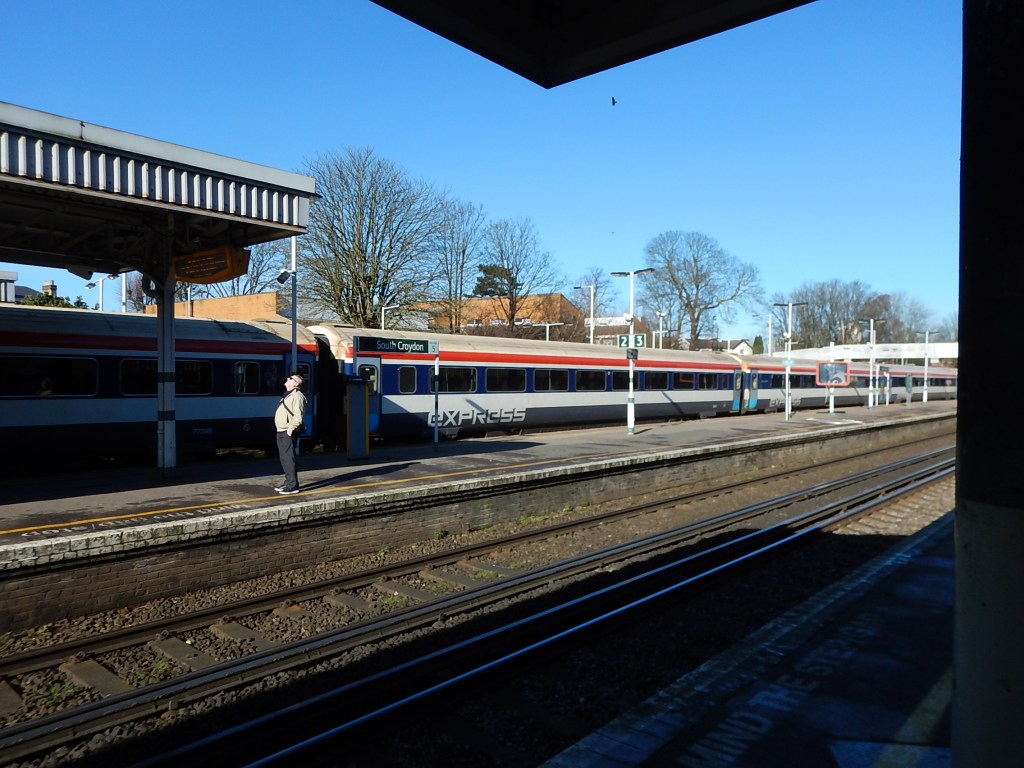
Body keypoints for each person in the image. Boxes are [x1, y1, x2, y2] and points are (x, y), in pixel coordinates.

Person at [274, 372, 306, 494]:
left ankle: (292, 485)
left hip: (287, 431)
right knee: (284, 458)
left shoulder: (297, 396)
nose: (288, 378)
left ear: (296, 384)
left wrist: (290, 430)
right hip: (281, 430)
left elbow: (298, 416)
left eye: (291, 378)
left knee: (288, 458)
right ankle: (289, 482)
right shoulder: (288, 395)